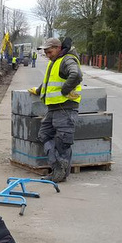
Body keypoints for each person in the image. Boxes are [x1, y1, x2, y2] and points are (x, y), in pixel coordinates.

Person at [28, 37, 82, 183]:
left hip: (65, 108)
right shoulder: (55, 61)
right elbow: (49, 82)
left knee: (62, 142)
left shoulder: (67, 60)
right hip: (54, 108)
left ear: (58, 48)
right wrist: (39, 90)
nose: (47, 55)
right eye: (45, 52)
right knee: (44, 135)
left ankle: (60, 173)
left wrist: (65, 90)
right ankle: (58, 167)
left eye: (49, 52)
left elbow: (76, 74)